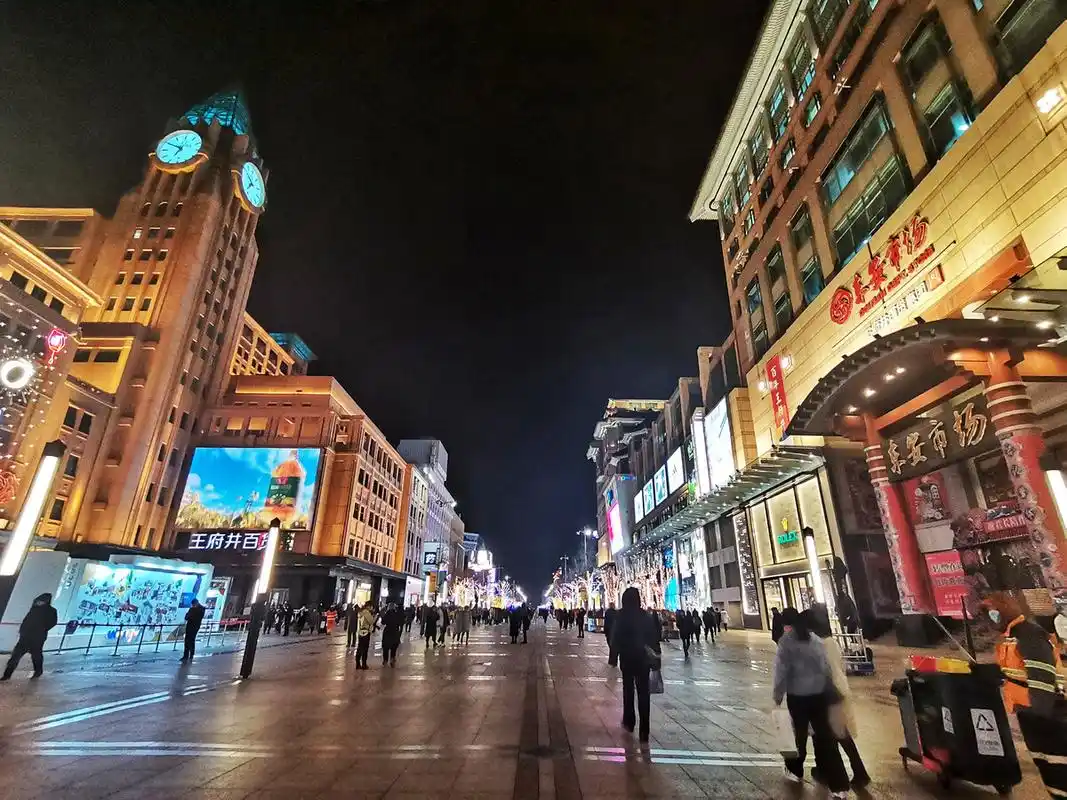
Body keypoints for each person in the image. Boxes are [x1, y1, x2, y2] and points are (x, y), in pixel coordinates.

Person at [987, 592, 1067, 796]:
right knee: (1045, 763)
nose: (990, 618)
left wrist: (1042, 714)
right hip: (1027, 710)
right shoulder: (1010, 637)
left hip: (1047, 712)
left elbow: (1042, 674)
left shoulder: (1029, 634)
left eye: (992, 613)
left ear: (1004, 611)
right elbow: (1010, 670)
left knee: (1058, 765)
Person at [772, 608, 849, 798]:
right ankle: (839, 784)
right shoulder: (816, 641)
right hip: (819, 695)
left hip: (798, 696)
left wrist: (778, 693)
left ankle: (795, 770)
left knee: (799, 735)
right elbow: (826, 668)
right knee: (826, 738)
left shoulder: (787, 642)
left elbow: (782, 671)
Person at [808, 606, 869, 789]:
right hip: (838, 690)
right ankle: (831, 769)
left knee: (833, 735)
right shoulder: (831, 642)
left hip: (827, 694)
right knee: (835, 734)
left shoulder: (818, 644)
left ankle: (856, 772)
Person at [610, 587, 660, 742]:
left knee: (628, 690)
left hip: (627, 659)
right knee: (644, 694)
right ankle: (644, 730)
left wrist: (613, 657)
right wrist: (656, 659)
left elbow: (615, 638)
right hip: (643, 659)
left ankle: (629, 721)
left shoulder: (621, 616)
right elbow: (654, 638)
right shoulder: (646, 616)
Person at [2, 593, 58, 681]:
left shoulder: (51, 611)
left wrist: (42, 629)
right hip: (25, 637)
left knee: (36, 656)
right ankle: (7, 675)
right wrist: (22, 630)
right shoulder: (34, 609)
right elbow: (26, 620)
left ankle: (38, 671)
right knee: (15, 655)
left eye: (41, 601)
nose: (39, 603)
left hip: (38, 638)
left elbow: (53, 622)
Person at [355, 602, 376, 669]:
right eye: (371, 607)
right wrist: (375, 616)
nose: (372, 608)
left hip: (360, 631)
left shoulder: (360, 612)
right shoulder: (366, 612)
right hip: (366, 632)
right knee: (365, 649)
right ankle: (364, 664)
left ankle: (358, 664)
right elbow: (371, 621)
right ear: (368, 606)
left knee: (359, 648)